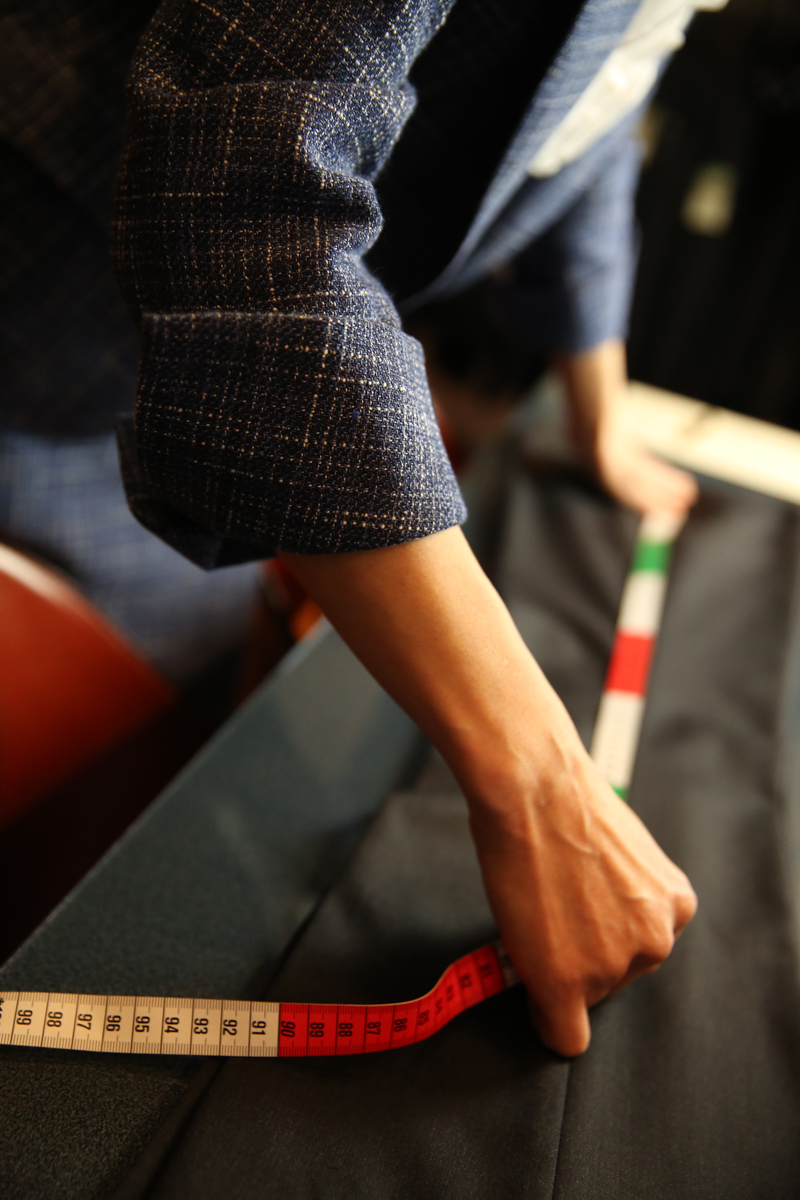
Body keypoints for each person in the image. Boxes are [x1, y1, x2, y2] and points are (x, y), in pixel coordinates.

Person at [6, 0, 719, 1055]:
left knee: (154, 778)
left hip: (207, 374)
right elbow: (247, 205)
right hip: (49, 294)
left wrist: (596, 400)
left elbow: (598, 80)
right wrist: (543, 788)